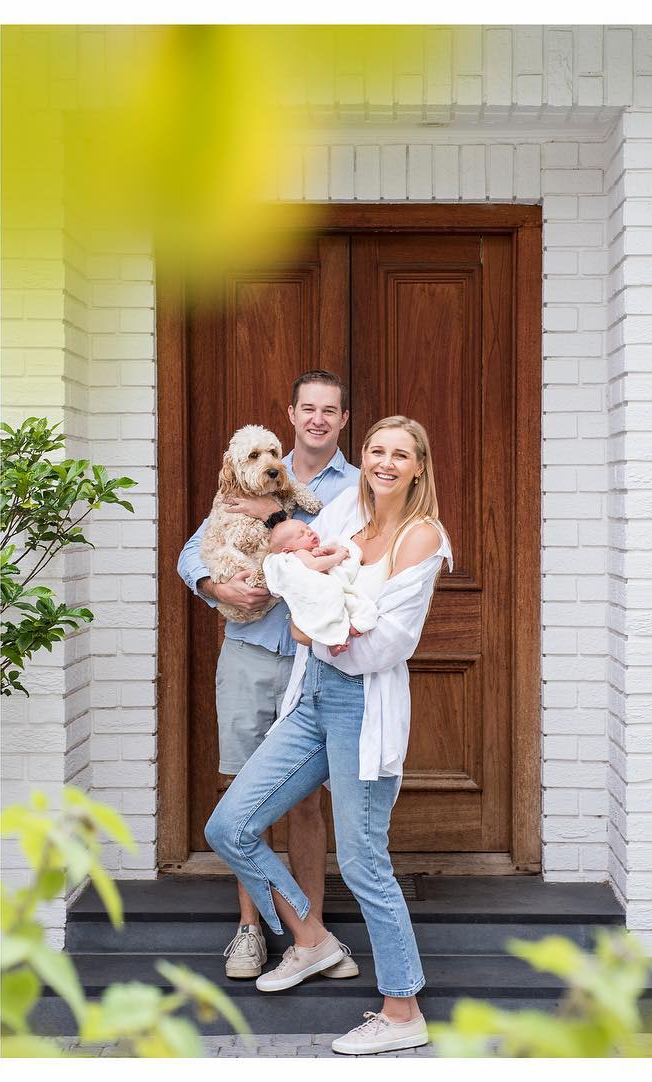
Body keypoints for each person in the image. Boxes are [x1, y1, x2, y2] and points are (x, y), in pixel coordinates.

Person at [204, 417, 452, 1055]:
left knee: (365, 862)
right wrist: (253, 516)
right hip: (309, 698)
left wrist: (318, 632)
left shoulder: (422, 536)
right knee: (229, 827)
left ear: (419, 466)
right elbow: (283, 547)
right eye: (376, 450)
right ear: (361, 457)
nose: (385, 463)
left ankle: (402, 1010)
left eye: (401, 454)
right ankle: (311, 938)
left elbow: (394, 641)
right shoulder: (346, 513)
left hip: (361, 709)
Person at [176, 370, 360, 980]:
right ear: (291, 414)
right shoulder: (245, 477)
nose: (317, 419)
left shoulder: (357, 488)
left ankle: (309, 933)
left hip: (316, 664)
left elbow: (342, 561)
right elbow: (190, 553)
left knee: (305, 800)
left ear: (342, 420)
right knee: (242, 796)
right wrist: (213, 584)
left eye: (329, 411)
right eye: (307, 409)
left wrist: (276, 513)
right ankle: (250, 930)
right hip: (251, 652)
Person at [261, 517, 378, 648]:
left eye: (308, 529)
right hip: (317, 592)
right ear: (287, 550)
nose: (309, 533)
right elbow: (315, 565)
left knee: (325, 613)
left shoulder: (309, 552)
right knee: (331, 603)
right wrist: (337, 556)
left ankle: (333, 644)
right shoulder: (299, 553)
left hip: (319, 593)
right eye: (301, 535)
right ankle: (342, 633)